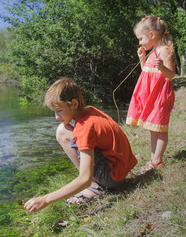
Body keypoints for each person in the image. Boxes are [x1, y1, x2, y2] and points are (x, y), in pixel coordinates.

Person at [24, 77, 137, 213]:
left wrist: (45, 199)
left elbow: (85, 179)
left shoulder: (84, 127)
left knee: (63, 133)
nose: (56, 116)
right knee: (62, 130)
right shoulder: (90, 111)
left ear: (74, 103)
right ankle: (95, 181)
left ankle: (96, 186)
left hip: (112, 177)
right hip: (120, 167)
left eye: (59, 110)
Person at [126, 16, 176, 174]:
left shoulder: (165, 51)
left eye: (141, 38)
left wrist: (162, 67)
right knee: (153, 129)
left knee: (160, 129)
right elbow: (146, 72)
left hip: (160, 96)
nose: (140, 42)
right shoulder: (153, 52)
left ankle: (157, 160)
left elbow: (170, 75)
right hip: (151, 97)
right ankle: (153, 159)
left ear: (152, 35)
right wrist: (142, 59)